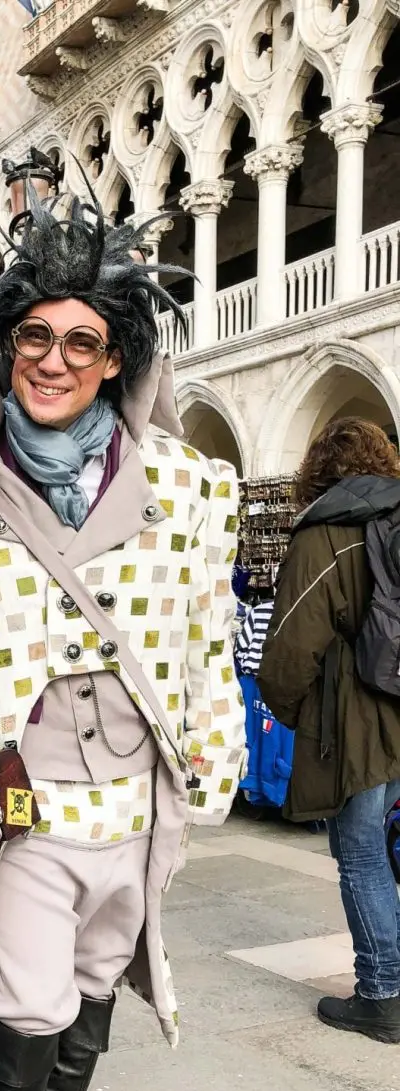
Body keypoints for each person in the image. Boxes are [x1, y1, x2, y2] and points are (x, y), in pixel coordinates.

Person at [0, 190, 246, 1091]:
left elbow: (209, 637)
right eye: (33, 337)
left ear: (115, 358)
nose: (53, 361)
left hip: (139, 799)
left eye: (81, 342)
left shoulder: (196, 489)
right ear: (5, 343)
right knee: (24, 1001)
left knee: (98, 982)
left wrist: (210, 763)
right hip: (31, 802)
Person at [259, 418, 400, 1045]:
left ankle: (383, 993)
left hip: (360, 715)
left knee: (362, 853)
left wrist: (289, 710)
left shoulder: (326, 532)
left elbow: (291, 646)